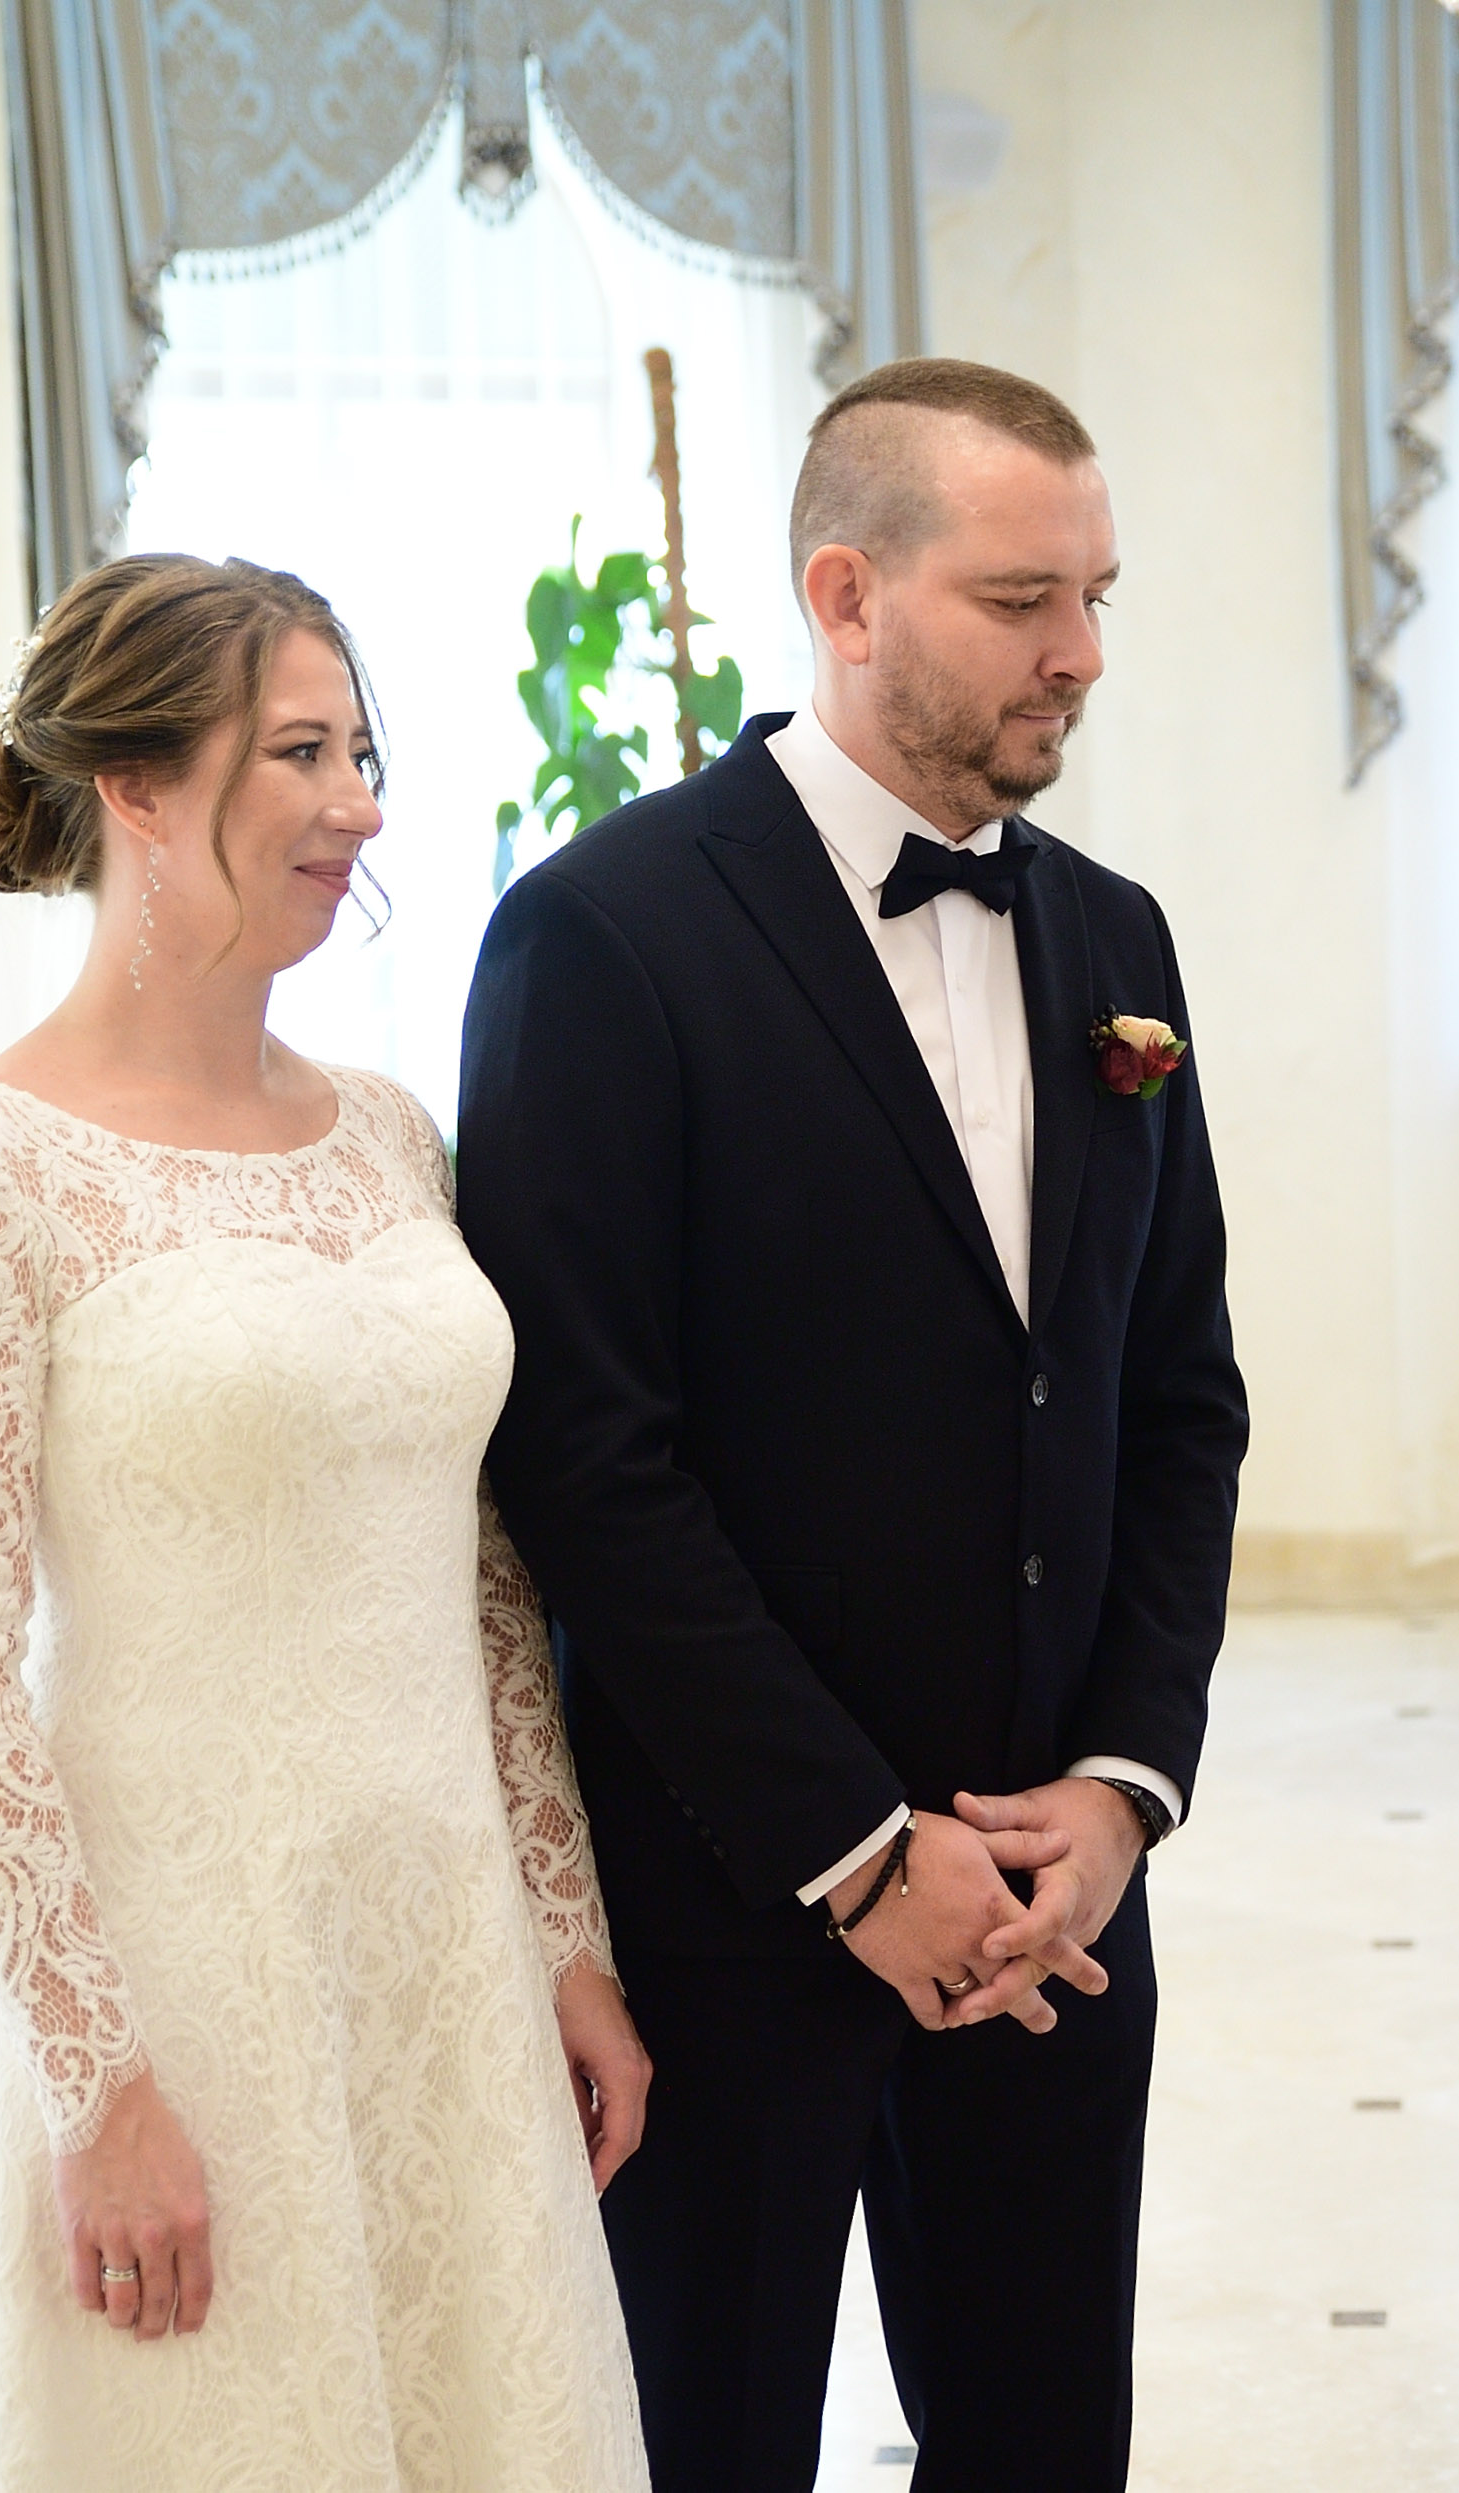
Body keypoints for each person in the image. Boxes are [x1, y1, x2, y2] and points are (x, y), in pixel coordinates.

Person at [457, 357, 1251, 2491]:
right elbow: (584, 1458)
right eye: (1020, 599)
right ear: (846, 593)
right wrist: (857, 1850)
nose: (1080, 652)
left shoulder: (1115, 937)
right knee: (706, 2446)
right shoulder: (601, 934)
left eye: (1095, 596)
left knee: (1040, 2442)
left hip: (1055, 1902)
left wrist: (1118, 1790)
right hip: (733, 1901)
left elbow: (1177, 1400)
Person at [0, 555, 649, 2486]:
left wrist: (565, 1933)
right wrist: (97, 2082)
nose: (360, 804)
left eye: (364, 752)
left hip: (434, 1952)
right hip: (171, 1979)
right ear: (132, 786)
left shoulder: (390, 1131)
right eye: (300, 753)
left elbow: (481, 1577)